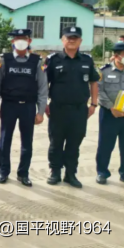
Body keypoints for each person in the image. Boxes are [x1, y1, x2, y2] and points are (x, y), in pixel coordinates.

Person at [45, 26, 99, 188]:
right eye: (68, 37)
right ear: (63, 40)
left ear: (80, 41)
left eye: (75, 38)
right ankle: (55, 172)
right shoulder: (53, 59)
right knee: (56, 142)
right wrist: (44, 104)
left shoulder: (87, 60)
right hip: (58, 108)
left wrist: (94, 104)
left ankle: (70, 174)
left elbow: (94, 82)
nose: (72, 40)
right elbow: (44, 83)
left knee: (74, 143)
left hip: (79, 110)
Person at [0, 29, 48, 187]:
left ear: (29, 41)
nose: (20, 41)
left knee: (27, 142)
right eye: (17, 38)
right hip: (8, 105)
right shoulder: (4, 59)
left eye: (24, 38)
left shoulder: (37, 61)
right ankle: (3, 171)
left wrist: (40, 111)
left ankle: (23, 173)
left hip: (28, 106)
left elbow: (42, 88)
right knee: (5, 140)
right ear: (13, 41)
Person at [96, 42, 124, 185]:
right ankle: (102, 172)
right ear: (117, 55)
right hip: (109, 114)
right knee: (105, 145)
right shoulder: (104, 71)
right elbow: (99, 91)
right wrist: (112, 107)